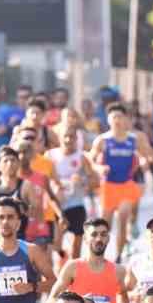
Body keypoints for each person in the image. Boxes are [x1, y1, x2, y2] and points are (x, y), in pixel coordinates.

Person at [89, 103, 153, 262]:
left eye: (120, 117)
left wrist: (145, 161)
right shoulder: (102, 140)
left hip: (126, 184)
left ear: (126, 119)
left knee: (124, 217)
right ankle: (100, 255)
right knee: (105, 225)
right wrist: (99, 168)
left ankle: (118, 256)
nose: (117, 120)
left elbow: (149, 154)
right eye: (114, 117)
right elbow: (90, 161)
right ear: (108, 119)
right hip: (108, 186)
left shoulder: (134, 139)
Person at [48, 109, 98, 263]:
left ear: (77, 139)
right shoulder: (50, 155)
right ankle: (62, 257)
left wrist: (83, 182)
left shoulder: (81, 157)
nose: (69, 140)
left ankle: (73, 275)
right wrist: (54, 186)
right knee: (56, 244)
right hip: (56, 204)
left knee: (77, 244)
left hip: (76, 203)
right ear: (59, 138)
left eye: (72, 137)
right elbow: (42, 179)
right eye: (66, 137)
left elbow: (94, 181)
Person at [15, 128, 60, 247]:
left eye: (27, 151)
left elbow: (52, 197)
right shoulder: (12, 177)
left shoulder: (41, 176)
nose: (23, 155)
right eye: (20, 152)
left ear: (32, 154)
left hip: (39, 226)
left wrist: (61, 216)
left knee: (44, 262)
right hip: (18, 228)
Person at [0, 146, 45, 227]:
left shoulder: (26, 185)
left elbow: (38, 211)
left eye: (13, 160)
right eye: (5, 161)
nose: (9, 164)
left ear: (18, 163)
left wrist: (24, 209)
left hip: (19, 235)